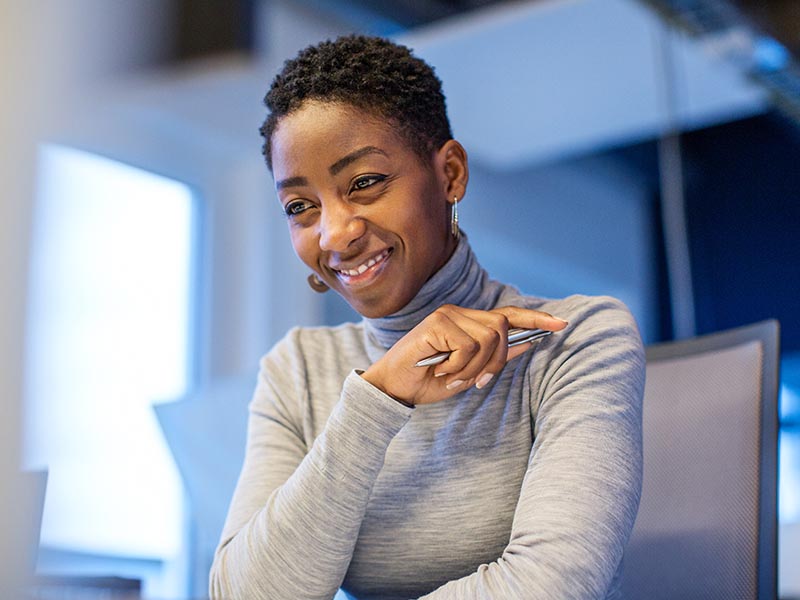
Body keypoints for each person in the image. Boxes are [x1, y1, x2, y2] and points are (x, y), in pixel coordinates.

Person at [209, 35, 644, 600]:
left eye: (364, 183)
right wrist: (380, 393)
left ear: (451, 175)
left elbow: (552, 585)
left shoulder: (576, 340)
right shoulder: (298, 371)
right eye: (301, 207)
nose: (334, 233)